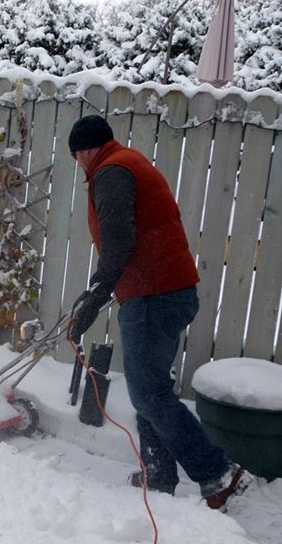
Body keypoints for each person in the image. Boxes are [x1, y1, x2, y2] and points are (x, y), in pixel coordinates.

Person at [67, 115, 250, 510]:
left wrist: (93, 300)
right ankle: (159, 473)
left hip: (155, 295)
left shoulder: (111, 172)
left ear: (83, 151)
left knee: (148, 393)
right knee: (149, 388)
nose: (79, 164)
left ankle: (216, 472)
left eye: (76, 157)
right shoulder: (128, 162)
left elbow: (118, 244)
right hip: (165, 291)